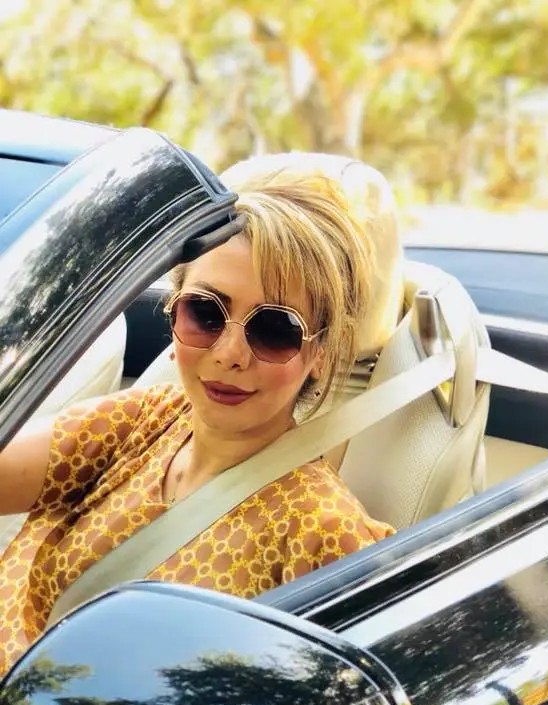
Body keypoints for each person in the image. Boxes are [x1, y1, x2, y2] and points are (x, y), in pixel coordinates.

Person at [0, 169, 394, 677]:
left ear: (318, 352)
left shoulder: (323, 532)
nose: (230, 355)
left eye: (275, 330)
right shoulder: (143, 420)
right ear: (173, 313)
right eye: (205, 314)